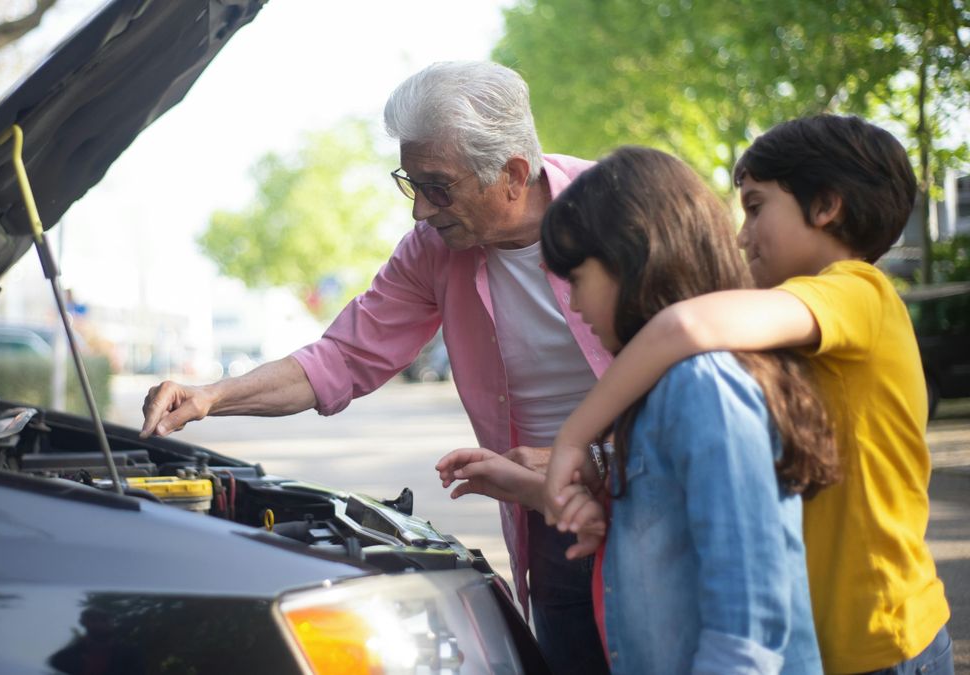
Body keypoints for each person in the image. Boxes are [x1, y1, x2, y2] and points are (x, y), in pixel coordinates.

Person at [140, 60, 610, 673]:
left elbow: (702, 364)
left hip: (654, 494)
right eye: (411, 184)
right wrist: (212, 396)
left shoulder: (621, 208)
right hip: (548, 516)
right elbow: (343, 355)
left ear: (513, 174)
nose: (421, 211)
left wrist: (591, 458)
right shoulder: (433, 250)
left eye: (438, 187)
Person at [545, 116, 954, 674]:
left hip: (884, 641)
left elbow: (684, 326)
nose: (741, 235)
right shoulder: (793, 321)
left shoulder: (860, 292)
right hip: (837, 643)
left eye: (756, 208)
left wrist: (573, 435)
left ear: (826, 206)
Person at [441, 146, 837, 674]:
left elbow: (749, 623)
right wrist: (584, 511)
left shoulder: (705, 389)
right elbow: (675, 529)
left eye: (577, 279)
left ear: (634, 262)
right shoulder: (661, 389)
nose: (573, 303)